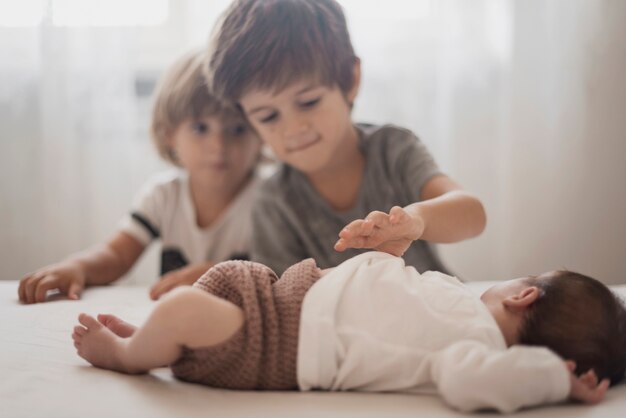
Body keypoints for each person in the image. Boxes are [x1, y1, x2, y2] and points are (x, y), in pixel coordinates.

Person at [72, 251, 626, 413]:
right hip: (277, 291)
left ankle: (129, 354)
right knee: (185, 308)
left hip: (277, 344)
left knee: (184, 311)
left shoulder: (474, 345)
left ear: (522, 294)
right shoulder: (460, 301)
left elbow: (469, 385)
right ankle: (153, 338)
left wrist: (554, 377)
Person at [205, 0, 487, 275]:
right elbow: (284, 298)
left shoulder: (392, 149)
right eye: (268, 117)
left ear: (351, 80)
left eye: (309, 102)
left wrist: (416, 221)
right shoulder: (274, 201)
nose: (293, 129)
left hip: (437, 309)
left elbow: (472, 215)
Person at [18, 50, 262, 304]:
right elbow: (117, 255)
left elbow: (282, 277)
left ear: (260, 133)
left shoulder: (269, 200)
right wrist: (78, 267)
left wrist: (222, 277)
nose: (218, 146)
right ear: (169, 135)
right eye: (200, 128)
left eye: (237, 129)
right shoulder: (164, 195)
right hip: (173, 328)